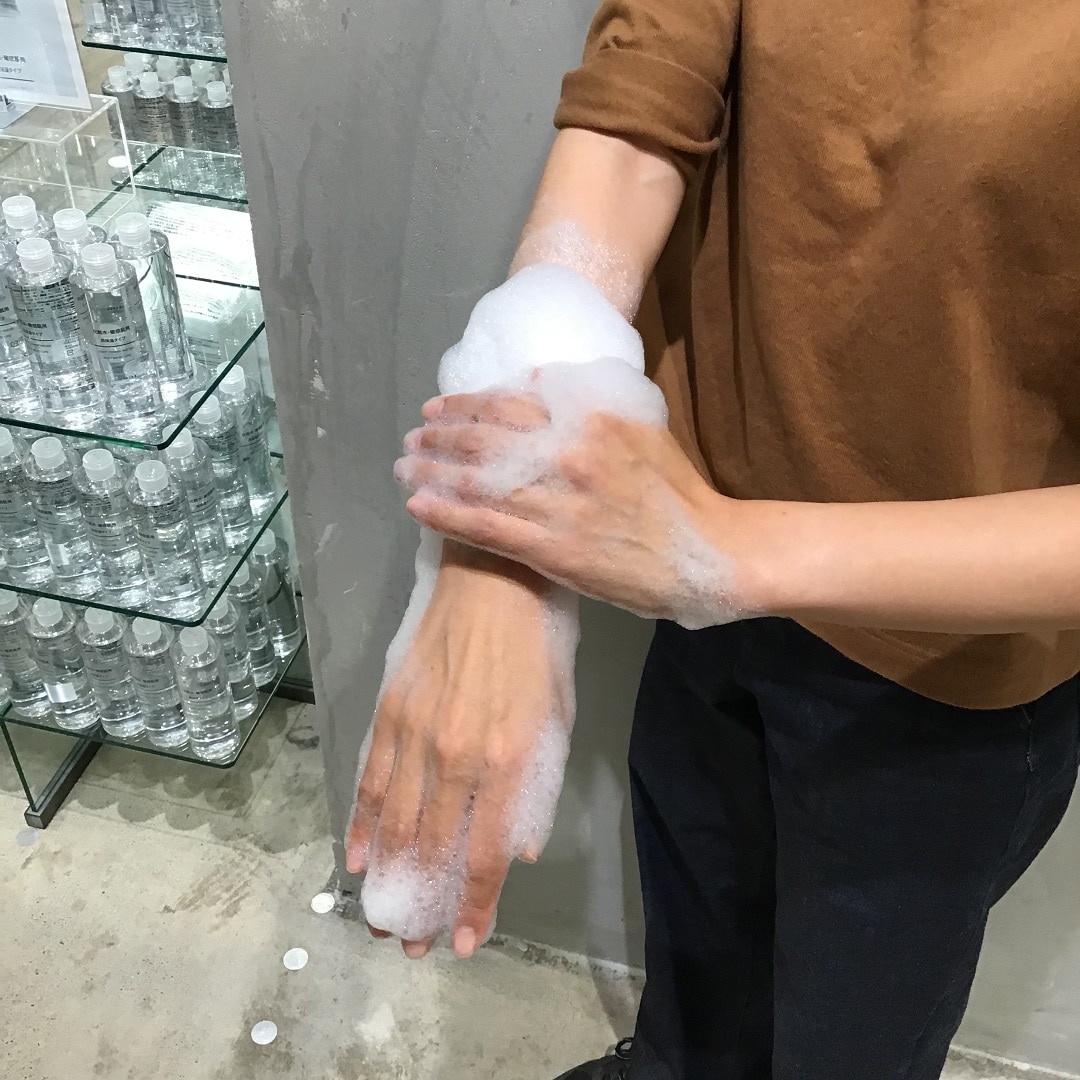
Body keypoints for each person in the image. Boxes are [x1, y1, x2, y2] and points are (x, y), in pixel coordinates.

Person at [347, 1, 1080, 1077]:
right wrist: (499, 546)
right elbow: (629, 127)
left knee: (843, 1050)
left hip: (939, 664)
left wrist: (725, 551)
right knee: (692, 997)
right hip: (693, 579)